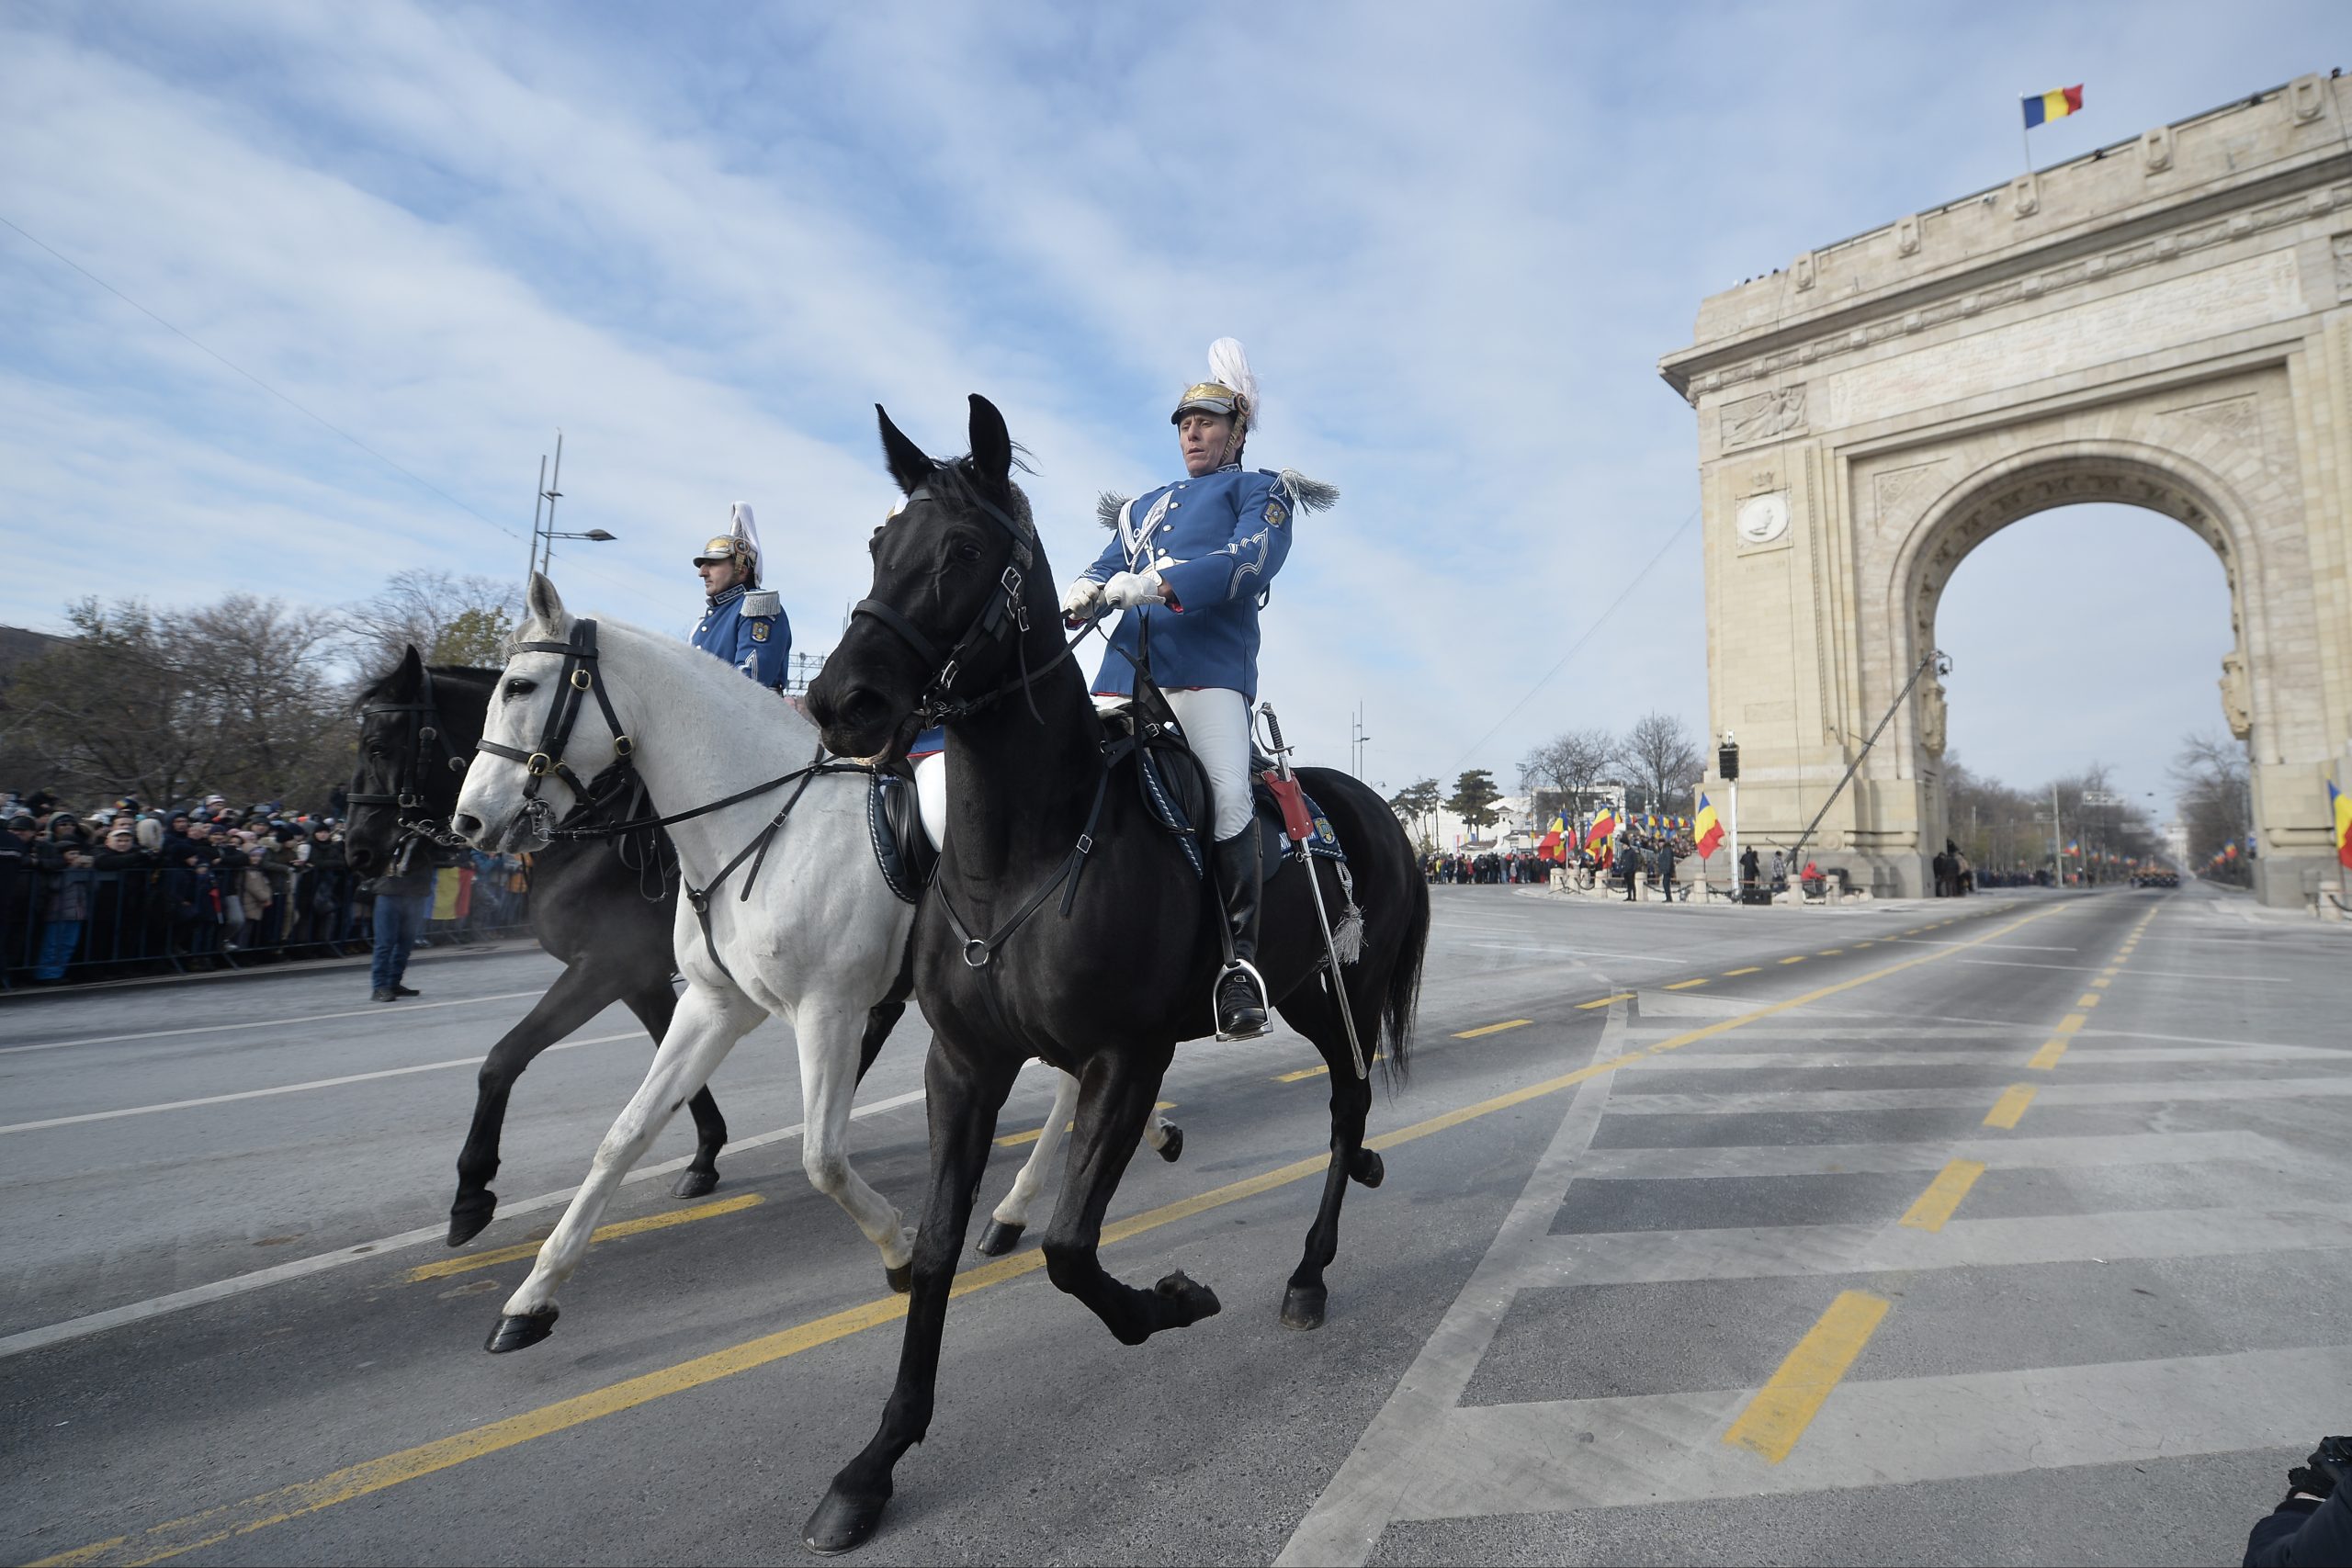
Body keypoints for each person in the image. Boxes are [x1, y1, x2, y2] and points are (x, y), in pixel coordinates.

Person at [1061, 337, 1308, 1040]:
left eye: (1206, 422)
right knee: (1063, 773)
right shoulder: (1144, 506)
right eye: (1184, 424)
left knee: (1228, 794)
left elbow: (1249, 560)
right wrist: (1083, 588)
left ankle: (1238, 966)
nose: (1192, 433)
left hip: (1207, 674)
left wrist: (1162, 582)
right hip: (1123, 676)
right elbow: (1108, 562)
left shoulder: (1261, 492)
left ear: (1237, 431)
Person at [690, 502, 791, 691]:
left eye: (712, 564)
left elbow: (750, 683)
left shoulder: (757, 606)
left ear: (742, 571)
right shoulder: (707, 619)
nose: (702, 572)